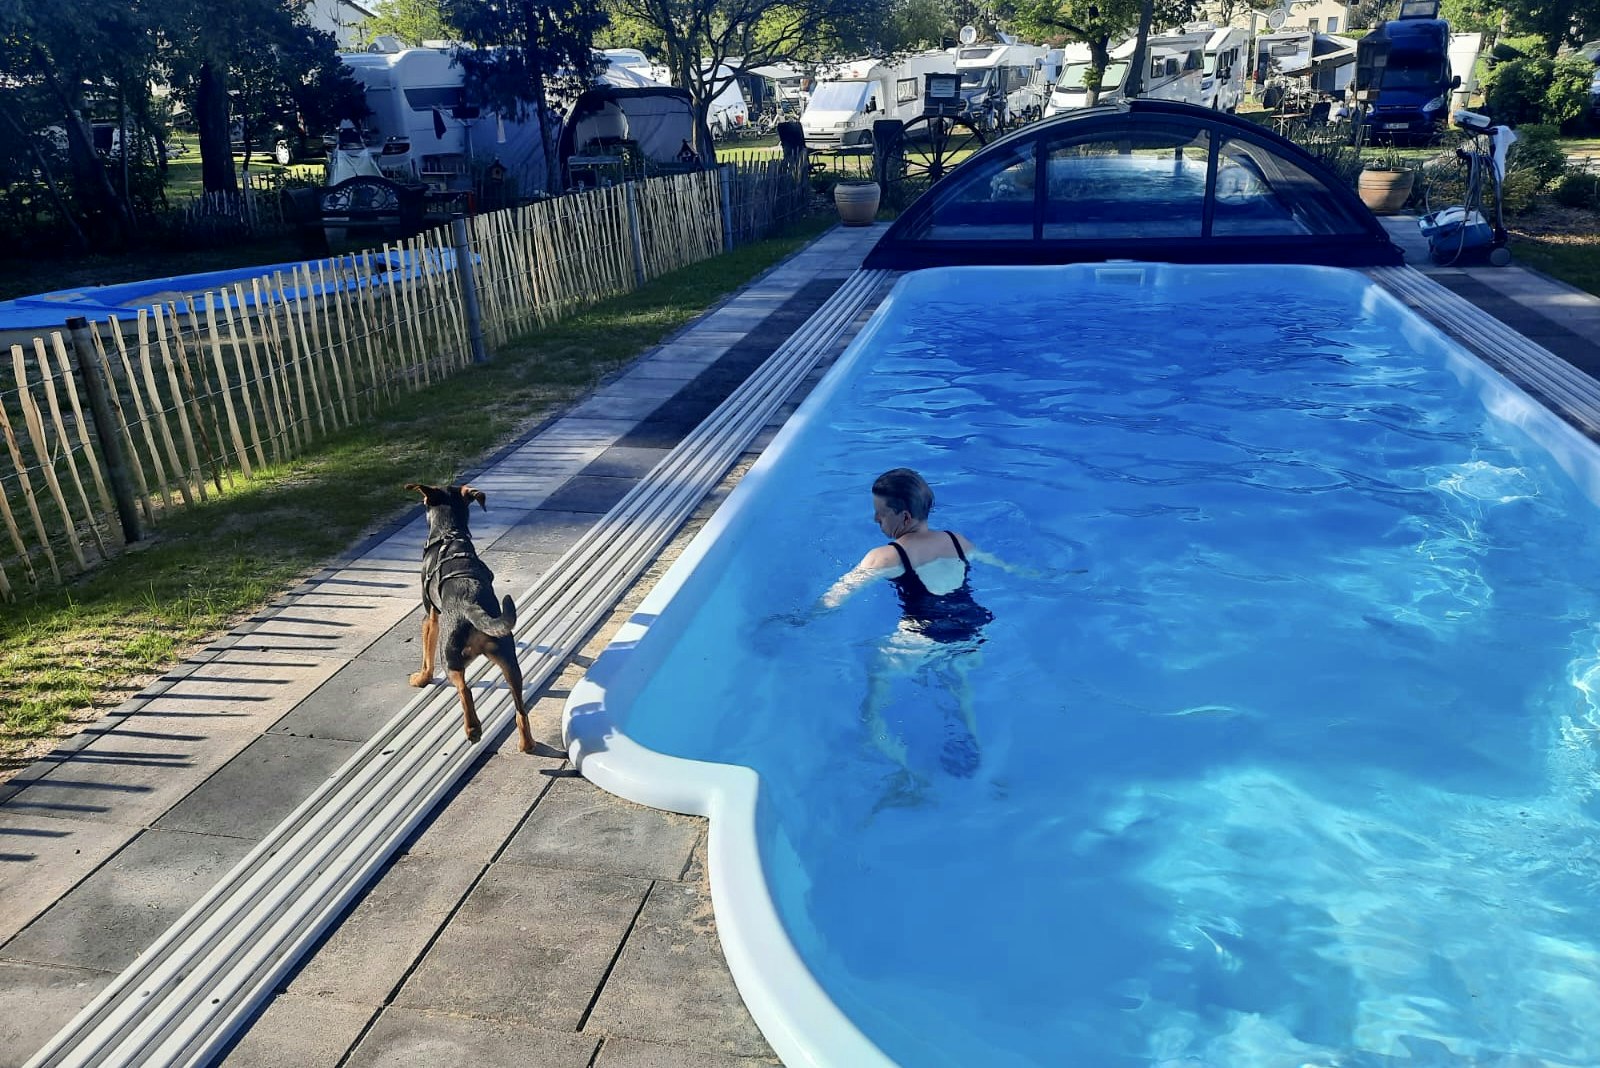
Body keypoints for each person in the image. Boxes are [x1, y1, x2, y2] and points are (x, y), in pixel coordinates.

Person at [809, 468, 1018, 783]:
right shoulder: (956, 540)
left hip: (923, 636)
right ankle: (974, 753)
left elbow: (834, 599)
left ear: (904, 517)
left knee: (875, 683)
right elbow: (1009, 569)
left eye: (880, 514)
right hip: (974, 631)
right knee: (958, 688)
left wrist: (797, 619)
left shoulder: (885, 557)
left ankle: (902, 766)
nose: (875, 520)